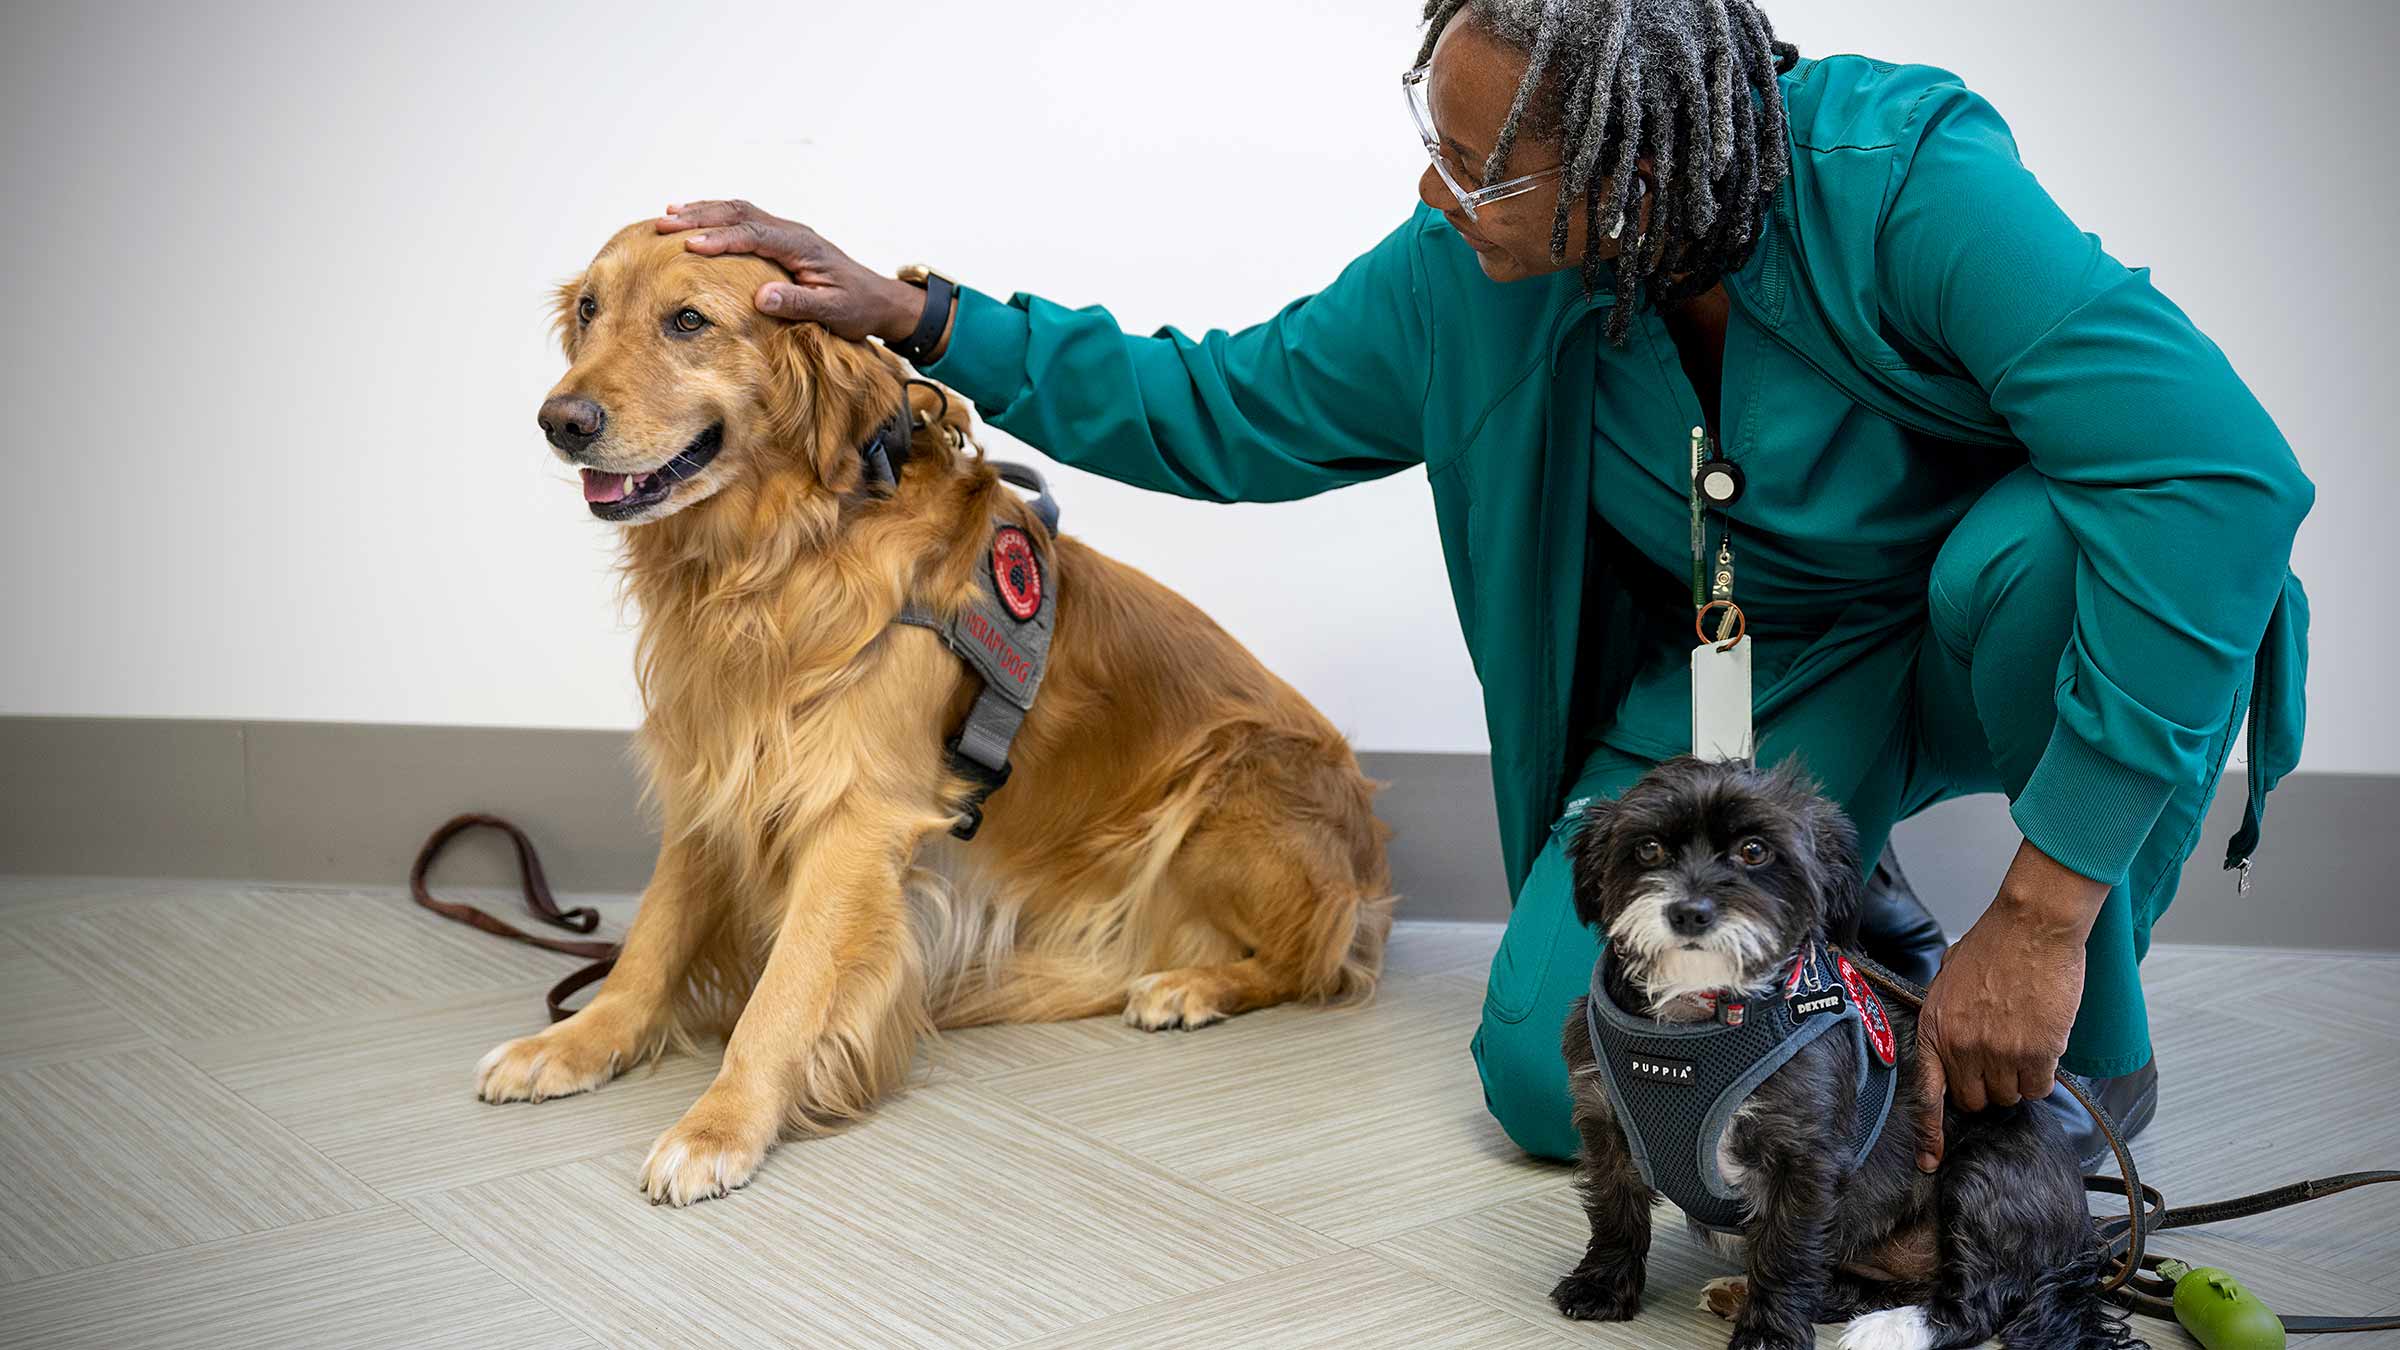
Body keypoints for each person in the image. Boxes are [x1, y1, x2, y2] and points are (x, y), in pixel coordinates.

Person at [654, 0, 2312, 1172]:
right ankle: (1865, 977)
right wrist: (926, 319)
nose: (1436, 198)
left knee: (2070, 546)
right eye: (1432, 147)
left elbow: (2219, 471)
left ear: (1637, 167)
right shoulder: (1470, 270)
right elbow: (1224, 402)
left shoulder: (1900, 177)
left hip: (1971, 621)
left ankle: (2081, 1040)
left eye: (1483, 168)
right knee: (1551, 1077)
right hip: (1752, 684)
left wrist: (2038, 913)